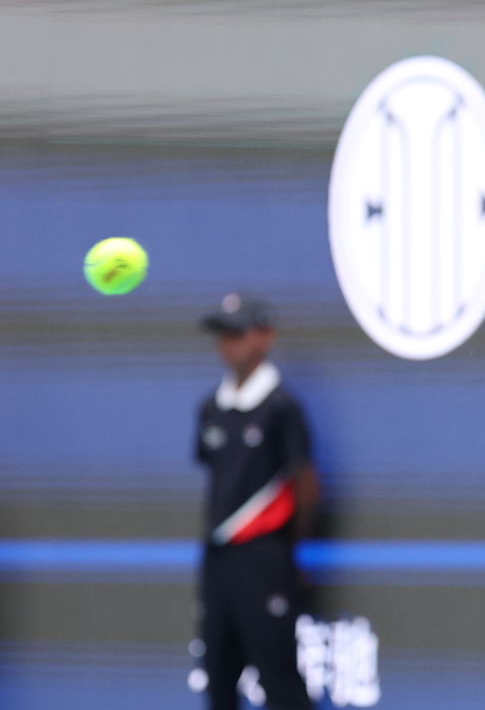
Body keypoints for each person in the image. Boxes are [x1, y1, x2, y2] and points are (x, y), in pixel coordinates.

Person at [195, 293, 319, 710]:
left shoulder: (281, 408)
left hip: (264, 558)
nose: (226, 343)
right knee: (218, 677)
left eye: (237, 333)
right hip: (218, 559)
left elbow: (304, 483)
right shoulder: (210, 407)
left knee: (278, 678)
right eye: (221, 334)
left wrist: (285, 548)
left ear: (264, 337)